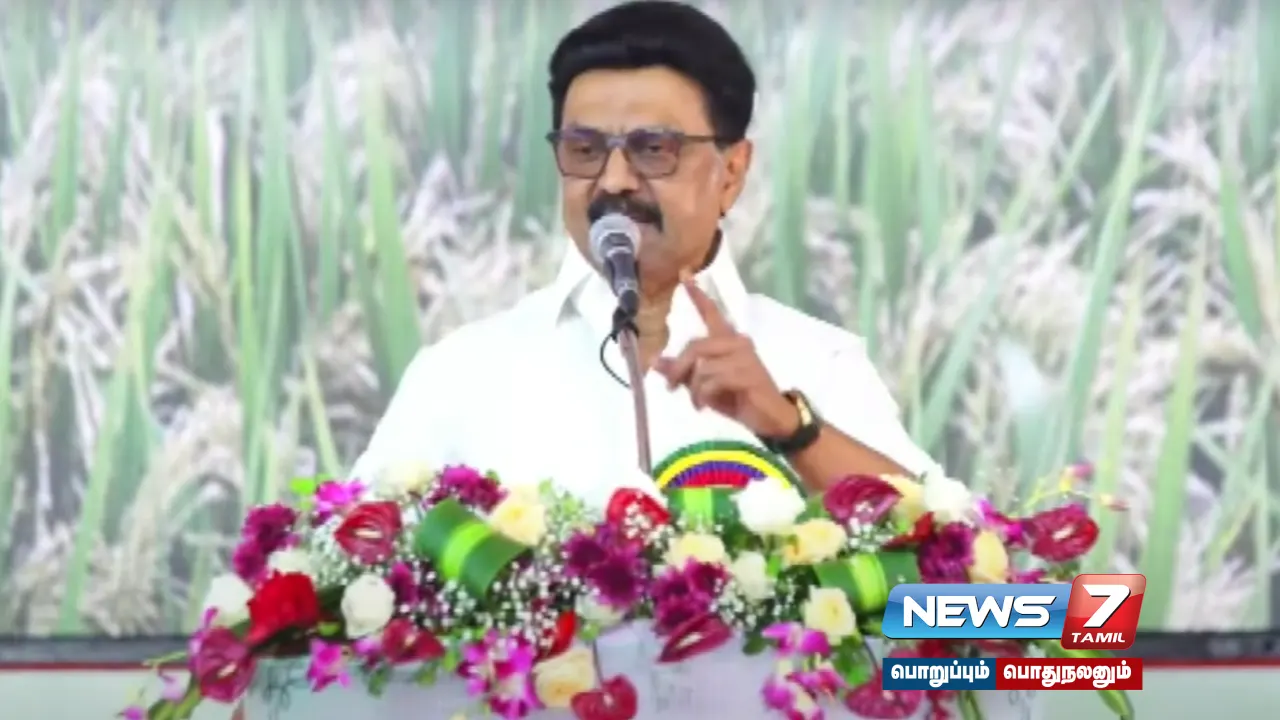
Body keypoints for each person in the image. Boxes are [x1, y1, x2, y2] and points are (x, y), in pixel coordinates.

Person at [350, 1, 938, 508]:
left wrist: (791, 428)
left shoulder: (819, 361)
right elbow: (349, 573)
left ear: (732, 172)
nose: (614, 180)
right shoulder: (460, 372)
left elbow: (960, 576)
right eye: (584, 149)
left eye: (653, 149)